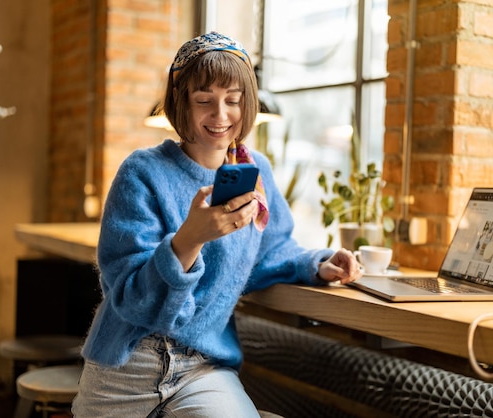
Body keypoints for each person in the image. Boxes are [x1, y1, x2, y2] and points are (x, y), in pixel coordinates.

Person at [72, 31, 362, 418]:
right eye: (204, 100)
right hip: (128, 362)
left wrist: (316, 264)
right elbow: (129, 297)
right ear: (181, 103)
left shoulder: (255, 174)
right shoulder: (142, 173)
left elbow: (270, 251)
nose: (221, 115)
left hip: (202, 366)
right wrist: (189, 240)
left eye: (233, 100)